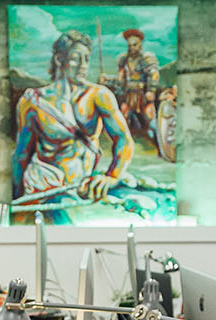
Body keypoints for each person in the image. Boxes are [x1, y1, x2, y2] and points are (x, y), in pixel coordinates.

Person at [12, 29, 134, 209]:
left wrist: (112, 176)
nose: (83, 65)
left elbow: (123, 139)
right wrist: (15, 198)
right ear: (60, 59)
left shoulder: (99, 96)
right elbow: (22, 154)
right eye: (77, 58)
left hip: (82, 186)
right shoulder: (33, 102)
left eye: (87, 59)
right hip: (45, 185)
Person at [107, 27, 161, 142]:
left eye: (134, 45)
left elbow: (154, 75)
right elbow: (120, 80)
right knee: (123, 118)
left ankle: (159, 142)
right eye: (129, 46)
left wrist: (151, 90)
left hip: (143, 96)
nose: (131, 48)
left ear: (140, 45)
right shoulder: (124, 60)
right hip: (128, 96)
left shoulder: (146, 59)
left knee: (150, 121)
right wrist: (106, 79)